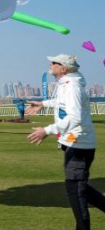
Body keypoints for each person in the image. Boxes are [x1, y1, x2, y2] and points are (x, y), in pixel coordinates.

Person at [26, 54, 105, 230]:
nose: (50, 64)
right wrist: (43, 104)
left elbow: (75, 117)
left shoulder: (72, 86)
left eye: (54, 62)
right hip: (74, 143)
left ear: (64, 69)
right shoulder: (66, 84)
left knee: (76, 190)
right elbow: (62, 103)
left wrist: (47, 130)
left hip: (79, 143)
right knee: (79, 187)